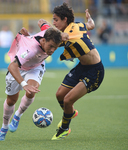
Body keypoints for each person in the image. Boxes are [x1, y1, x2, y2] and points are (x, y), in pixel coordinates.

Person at [38, 3, 104, 140]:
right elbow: (90, 25)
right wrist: (90, 19)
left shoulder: (69, 32)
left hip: (95, 71)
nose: (54, 23)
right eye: (53, 20)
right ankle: (70, 113)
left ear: (65, 20)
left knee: (67, 100)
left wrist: (45, 27)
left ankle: (64, 129)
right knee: (60, 95)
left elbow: (60, 37)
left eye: (56, 20)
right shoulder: (78, 25)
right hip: (82, 67)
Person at [0, 27, 62, 141]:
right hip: (18, 68)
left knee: (32, 91)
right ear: (43, 41)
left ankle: (17, 116)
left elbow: (45, 24)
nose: (52, 50)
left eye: (55, 48)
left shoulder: (52, 36)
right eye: (51, 46)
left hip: (35, 67)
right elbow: (12, 66)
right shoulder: (31, 50)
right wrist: (24, 84)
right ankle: (4, 127)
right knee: (11, 100)